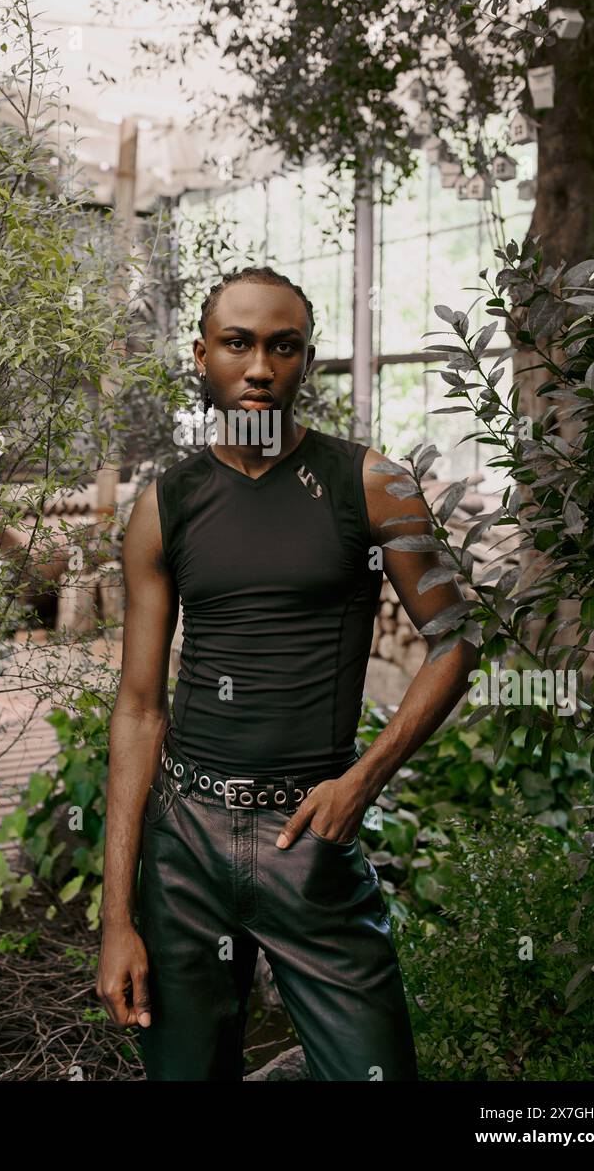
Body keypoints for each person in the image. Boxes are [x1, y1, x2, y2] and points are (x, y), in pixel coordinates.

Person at [96, 265, 477, 1081]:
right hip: (184, 844)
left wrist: (363, 780)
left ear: (307, 360)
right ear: (201, 355)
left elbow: (455, 641)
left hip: (309, 837)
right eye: (238, 344)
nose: (261, 367)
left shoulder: (372, 484)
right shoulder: (166, 504)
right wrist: (115, 916)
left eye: (284, 346)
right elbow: (137, 709)